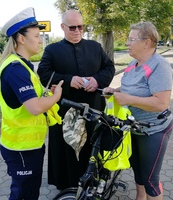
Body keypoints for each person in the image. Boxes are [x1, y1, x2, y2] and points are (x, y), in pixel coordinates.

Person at [37, 10, 115, 190]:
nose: (77, 31)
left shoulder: (95, 47)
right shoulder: (52, 50)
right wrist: (68, 79)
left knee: (92, 146)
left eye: (81, 27)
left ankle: (93, 182)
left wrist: (97, 80)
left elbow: (109, 67)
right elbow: (44, 74)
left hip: (94, 108)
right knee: (68, 148)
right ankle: (68, 185)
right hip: (65, 111)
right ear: (63, 27)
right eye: (72, 28)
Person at [0, 7, 63, 200]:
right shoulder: (16, 69)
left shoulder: (22, 65)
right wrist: (55, 97)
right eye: (36, 36)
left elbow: (30, 99)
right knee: (23, 195)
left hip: (28, 145)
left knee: (29, 193)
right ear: (21, 38)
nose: (40, 40)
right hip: (21, 147)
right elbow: (34, 108)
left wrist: (46, 93)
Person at [103, 22, 173, 200]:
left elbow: (161, 103)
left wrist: (128, 100)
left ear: (147, 42)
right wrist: (115, 91)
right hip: (134, 126)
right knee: (138, 172)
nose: (127, 43)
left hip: (154, 129)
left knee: (150, 179)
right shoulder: (134, 64)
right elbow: (130, 88)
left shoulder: (160, 66)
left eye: (131, 39)